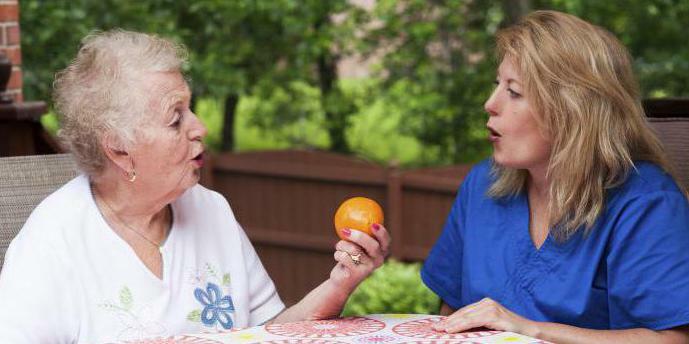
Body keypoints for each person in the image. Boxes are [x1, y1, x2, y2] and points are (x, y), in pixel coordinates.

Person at [0, 30, 390, 343]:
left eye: (190, 108)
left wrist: (341, 283)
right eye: (175, 119)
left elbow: (272, 332)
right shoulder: (53, 243)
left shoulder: (211, 209)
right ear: (119, 150)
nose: (199, 127)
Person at [421, 10, 689, 343]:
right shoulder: (483, 185)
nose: (490, 104)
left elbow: (673, 339)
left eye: (514, 92)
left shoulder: (647, 203)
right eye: (497, 86)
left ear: (573, 110)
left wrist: (530, 329)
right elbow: (451, 314)